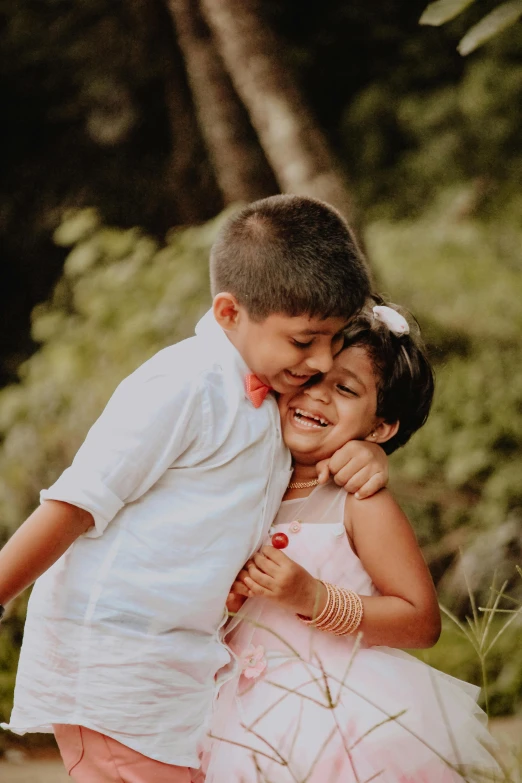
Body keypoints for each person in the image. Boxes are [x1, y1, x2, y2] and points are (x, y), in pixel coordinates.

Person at [0, 195, 389, 783]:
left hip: (179, 668)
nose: (319, 362)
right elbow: (75, 505)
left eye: (333, 341)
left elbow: (314, 451)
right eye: (305, 341)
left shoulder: (269, 392)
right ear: (230, 312)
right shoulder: (181, 385)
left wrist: (364, 450)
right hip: (117, 666)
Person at [200, 299, 501, 783]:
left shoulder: (360, 500)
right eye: (307, 378)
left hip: (338, 714)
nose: (317, 396)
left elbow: (421, 620)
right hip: (234, 711)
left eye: (344, 388)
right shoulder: (247, 479)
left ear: (380, 427)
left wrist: (313, 598)